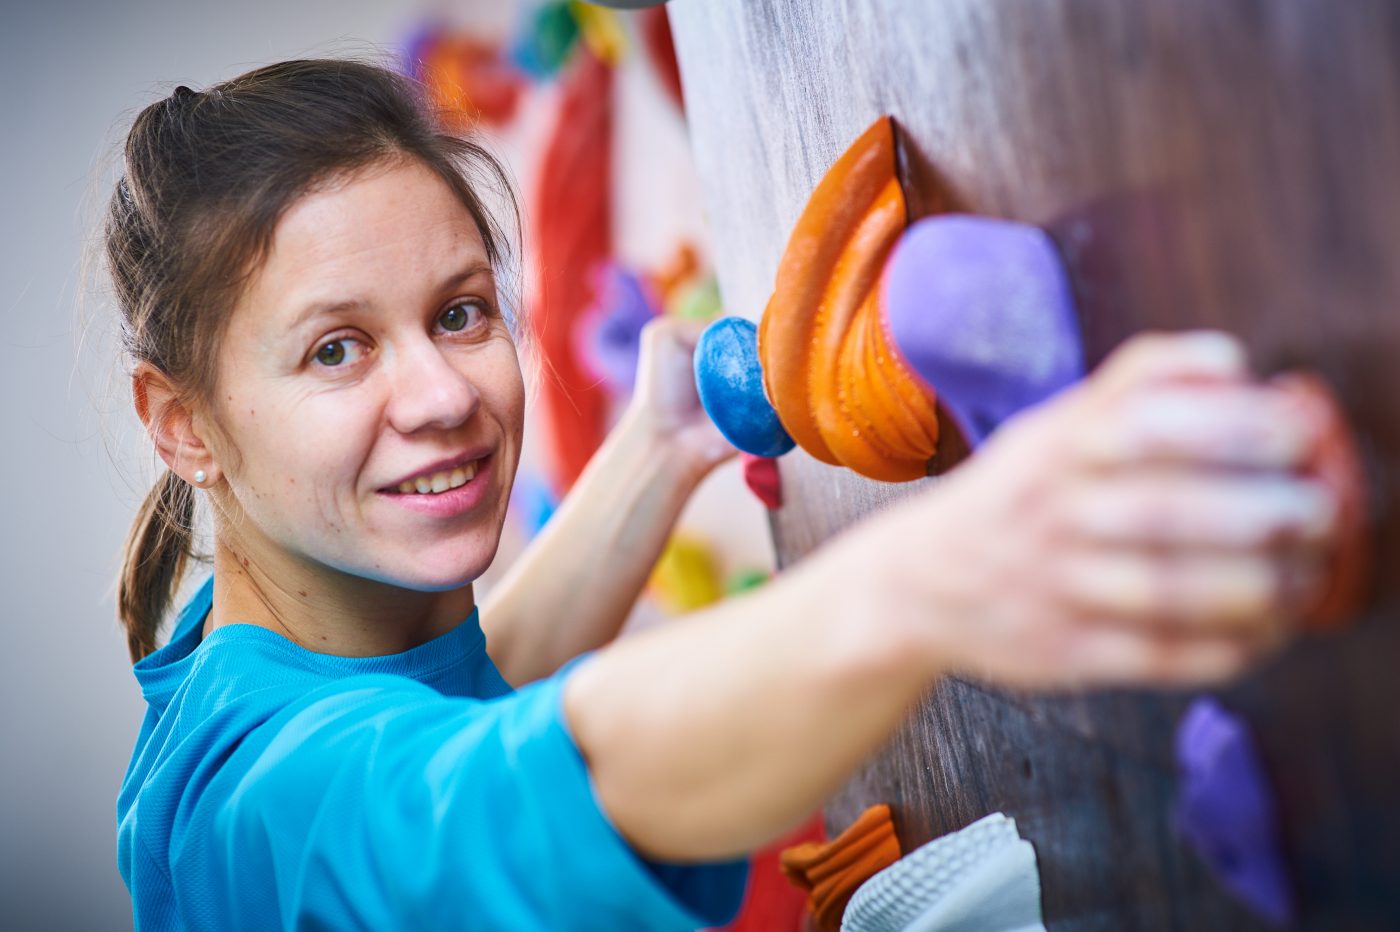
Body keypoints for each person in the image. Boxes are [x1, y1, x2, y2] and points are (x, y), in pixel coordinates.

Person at [108, 60, 1338, 931]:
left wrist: (656, 446)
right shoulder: (272, 811)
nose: (441, 393)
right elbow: (505, 784)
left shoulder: (241, 632)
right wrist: (937, 572)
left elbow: (460, 692)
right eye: (337, 348)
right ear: (183, 423)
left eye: (458, 311)